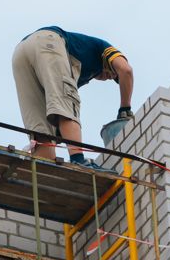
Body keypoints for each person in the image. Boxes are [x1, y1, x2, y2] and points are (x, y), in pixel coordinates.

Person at [11, 26, 134, 165]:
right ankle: (78, 159)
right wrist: (125, 109)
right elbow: (126, 70)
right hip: (48, 42)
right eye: (113, 72)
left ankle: (45, 169)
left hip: (20, 53)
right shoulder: (103, 48)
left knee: (40, 128)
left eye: (113, 77)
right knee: (66, 102)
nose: (110, 75)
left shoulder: (80, 71)